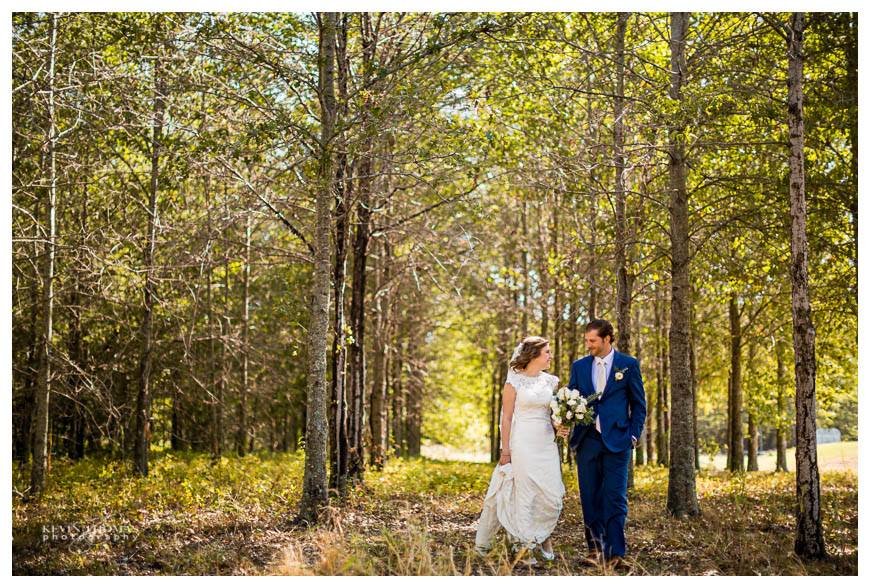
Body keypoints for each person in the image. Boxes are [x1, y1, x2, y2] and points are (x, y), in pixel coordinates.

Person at [557, 319, 646, 569]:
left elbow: (639, 405)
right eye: (586, 340)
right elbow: (570, 400)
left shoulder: (628, 365)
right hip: (587, 441)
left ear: (607, 339)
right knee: (590, 497)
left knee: (615, 497)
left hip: (618, 441)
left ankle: (616, 552)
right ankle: (595, 549)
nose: (588, 345)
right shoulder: (580, 366)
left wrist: (633, 434)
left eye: (592, 341)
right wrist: (563, 421)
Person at [474, 336, 565, 563]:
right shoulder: (514, 381)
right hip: (522, 441)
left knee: (551, 493)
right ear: (534, 355)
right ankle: (525, 545)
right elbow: (506, 418)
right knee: (526, 493)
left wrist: (560, 426)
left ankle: (543, 535)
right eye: (546, 352)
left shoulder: (550, 382)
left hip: (546, 443)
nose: (550, 356)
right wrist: (506, 451)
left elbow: (553, 414)